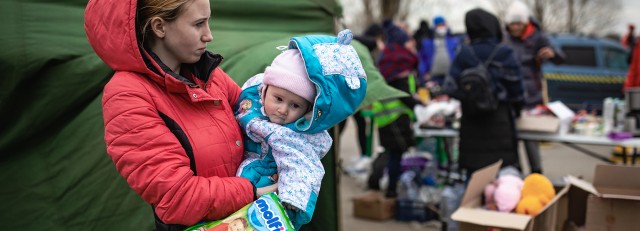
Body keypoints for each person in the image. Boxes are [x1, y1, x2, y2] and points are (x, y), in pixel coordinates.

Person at [84, 0, 277, 229]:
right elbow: (177, 197)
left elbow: (258, 120)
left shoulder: (208, 75)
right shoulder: (127, 95)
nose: (209, 35)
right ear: (159, 27)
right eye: (198, 24)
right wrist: (256, 191)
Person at [235, 30, 367, 229]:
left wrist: (292, 198)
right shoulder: (249, 99)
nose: (283, 110)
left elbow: (301, 164)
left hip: (265, 192)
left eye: (295, 105)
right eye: (278, 99)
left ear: (307, 110)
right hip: (232, 181)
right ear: (265, 89)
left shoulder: (297, 135)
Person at [444, 8, 524, 176]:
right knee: (502, 179)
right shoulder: (505, 52)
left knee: (473, 180)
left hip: (471, 122)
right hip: (500, 123)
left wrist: (471, 97)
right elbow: (517, 92)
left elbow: (450, 88)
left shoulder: (464, 53)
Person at [504, 1, 565, 174]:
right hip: (510, 98)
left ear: (526, 22)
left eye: (519, 24)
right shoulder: (505, 38)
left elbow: (560, 57)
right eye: (512, 24)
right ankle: (515, 176)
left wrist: (553, 54)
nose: (515, 27)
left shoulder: (538, 37)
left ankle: (536, 174)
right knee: (511, 142)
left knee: (531, 141)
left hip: (531, 97)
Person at [369, 19, 422, 198]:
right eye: (408, 41)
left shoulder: (388, 59)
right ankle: (392, 191)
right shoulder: (401, 62)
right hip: (396, 117)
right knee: (396, 155)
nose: (411, 44)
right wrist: (423, 106)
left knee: (391, 153)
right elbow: (404, 94)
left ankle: (381, 183)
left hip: (385, 116)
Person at [417, 16, 461, 93]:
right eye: (439, 25)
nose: (441, 27)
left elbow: (459, 56)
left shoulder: (454, 40)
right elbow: (422, 58)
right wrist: (424, 72)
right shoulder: (426, 42)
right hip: (433, 77)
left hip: (451, 76)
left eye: (443, 25)